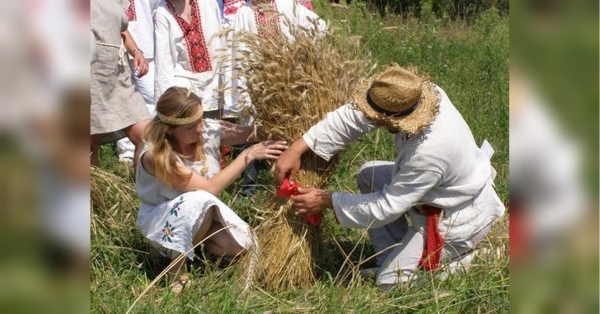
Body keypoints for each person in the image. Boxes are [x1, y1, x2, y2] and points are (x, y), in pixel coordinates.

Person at [275, 64, 506, 290]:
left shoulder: (431, 151)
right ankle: (390, 256)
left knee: (390, 282)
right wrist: (298, 148)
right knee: (370, 174)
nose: (372, 120)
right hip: (435, 188)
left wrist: (328, 200)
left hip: (455, 215)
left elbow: (387, 207)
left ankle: (475, 258)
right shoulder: (416, 95)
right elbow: (355, 117)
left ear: (395, 119)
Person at [136, 86, 287, 293]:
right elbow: (209, 189)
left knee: (241, 245)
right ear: (169, 129)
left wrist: (286, 124)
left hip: (203, 215)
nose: (200, 129)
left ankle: (195, 250)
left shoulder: (205, 129)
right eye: (190, 127)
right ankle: (175, 269)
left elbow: (251, 134)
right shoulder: (156, 154)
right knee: (199, 199)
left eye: (200, 120)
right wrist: (248, 155)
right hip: (162, 221)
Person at [91, 0, 151, 167]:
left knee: (146, 136)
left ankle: (144, 186)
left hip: (118, 76)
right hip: (89, 79)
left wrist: (136, 52)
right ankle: (94, 191)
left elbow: (122, 29)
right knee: (88, 146)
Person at [153, 0, 226, 119]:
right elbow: (163, 62)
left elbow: (221, 41)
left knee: (213, 131)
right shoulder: (162, 12)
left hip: (214, 84)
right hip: (184, 85)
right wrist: (164, 104)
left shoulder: (207, 3)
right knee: (189, 131)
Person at [116, 0, 161, 163]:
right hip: (114, 45)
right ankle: (126, 150)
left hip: (145, 43)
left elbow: (158, 8)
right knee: (120, 97)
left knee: (150, 96)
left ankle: (150, 145)